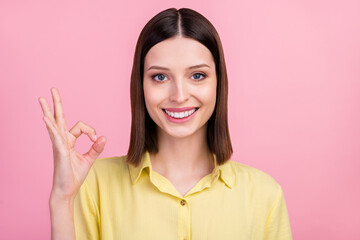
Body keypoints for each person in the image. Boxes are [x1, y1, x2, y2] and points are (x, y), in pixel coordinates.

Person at [39, 7, 292, 240]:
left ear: (219, 83)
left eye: (197, 75)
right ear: (141, 86)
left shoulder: (264, 195)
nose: (179, 95)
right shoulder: (94, 183)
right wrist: (63, 198)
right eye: (160, 77)